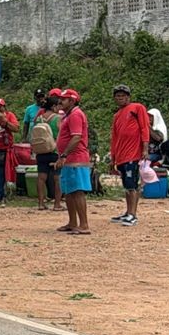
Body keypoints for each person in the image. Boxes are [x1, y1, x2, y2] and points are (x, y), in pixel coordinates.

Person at [109, 85, 150, 227]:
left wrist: (145, 148)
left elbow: (144, 128)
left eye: (122, 96)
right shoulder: (117, 115)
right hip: (121, 154)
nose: (120, 98)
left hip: (133, 153)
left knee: (132, 184)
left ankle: (133, 214)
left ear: (128, 97)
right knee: (127, 185)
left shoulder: (137, 108)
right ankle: (128, 212)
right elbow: (114, 137)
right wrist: (113, 158)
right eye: (117, 96)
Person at [55, 89, 92, 236]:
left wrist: (64, 154)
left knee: (77, 191)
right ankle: (72, 222)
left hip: (76, 158)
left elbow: (76, 137)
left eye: (63, 100)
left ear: (72, 101)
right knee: (69, 191)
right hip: (69, 159)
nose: (60, 102)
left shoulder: (76, 115)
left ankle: (84, 224)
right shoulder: (68, 116)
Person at [30, 92, 63, 211]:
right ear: (54, 106)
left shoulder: (39, 118)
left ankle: (40, 203)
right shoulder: (58, 118)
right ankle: (57, 204)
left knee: (41, 177)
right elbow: (61, 134)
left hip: (40, 151)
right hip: (54, 150)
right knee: (57, 177)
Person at [0, 98, 20, 206]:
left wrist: (5, 122)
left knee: (3, 172)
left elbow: (16, 128)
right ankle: (0, 194)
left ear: (4, 107)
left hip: (6, 148)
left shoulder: (9, 115)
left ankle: (1, 195)